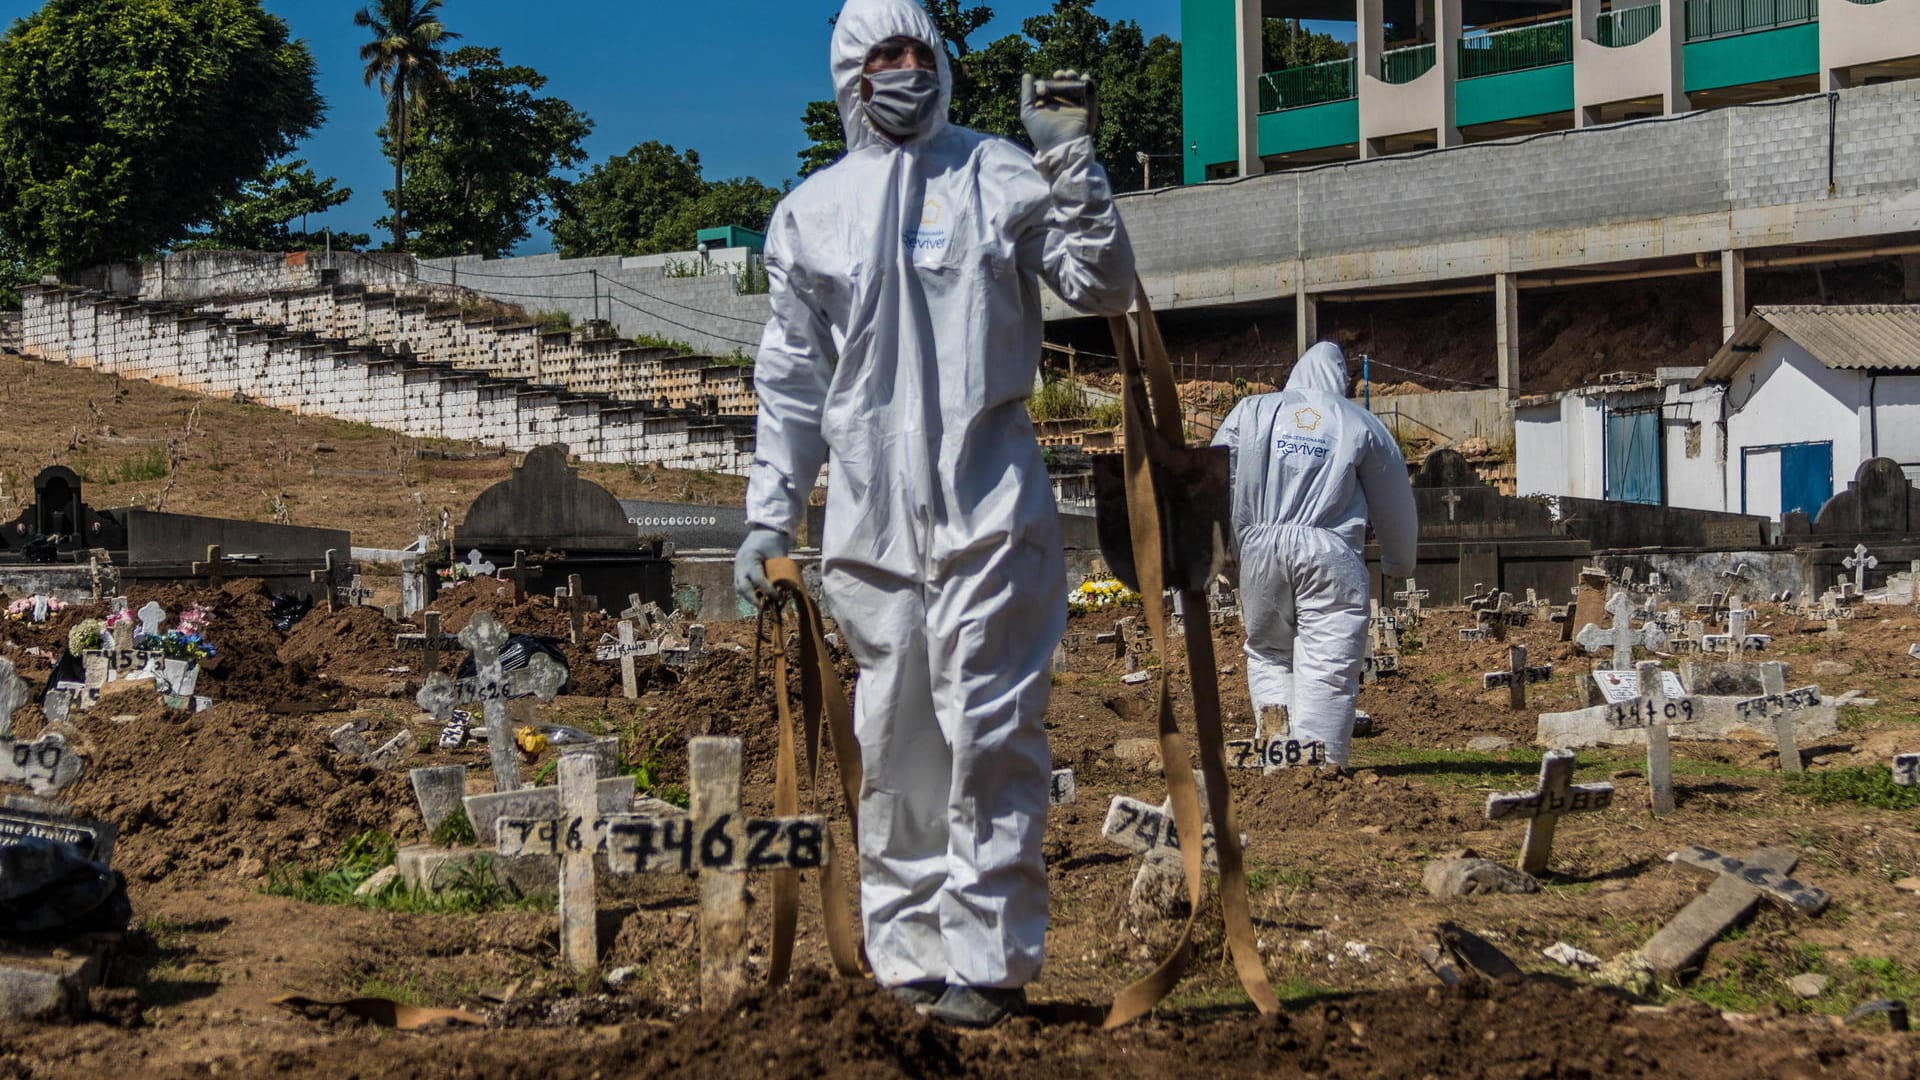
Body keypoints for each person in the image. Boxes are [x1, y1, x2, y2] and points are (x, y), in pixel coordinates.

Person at [732, 0, 1134, 1028]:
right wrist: (770, 514)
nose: (905, 69)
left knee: (990, 730)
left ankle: (992, 960)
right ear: (849, 77)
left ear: (942, 62)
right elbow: (792, 379)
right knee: (897, 734)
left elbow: (1102, 285)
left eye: (919, 51)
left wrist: (1071, 161)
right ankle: (909, 956)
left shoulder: (996, 171)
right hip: (871, 525)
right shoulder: (809, 213)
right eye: (883, 56)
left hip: (988, 503)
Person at [1212, 341, 1418, 770]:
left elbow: (1215, 479)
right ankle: (1319, 768)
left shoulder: (1251, 411)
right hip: (1330, 551)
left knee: (1269, 650)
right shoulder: (1358, 421)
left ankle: (1278, 760)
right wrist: (1401, 562)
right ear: (1340, 380)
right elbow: (1394, 497)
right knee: (1328, 658)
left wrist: (1218, 556)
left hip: (1259, 549)